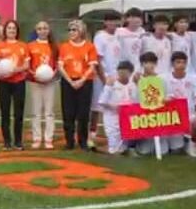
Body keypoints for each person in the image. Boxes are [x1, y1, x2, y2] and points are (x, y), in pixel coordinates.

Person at [58, 19, 98, 151]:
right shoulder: (64, 46)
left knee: (83, 113)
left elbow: (92, 67)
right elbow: (61, 66)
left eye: (74, 30)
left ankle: (83, 141)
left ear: (81, 31)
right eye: (69, 30)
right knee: (68, 112)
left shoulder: (89, 46)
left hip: (85, 82)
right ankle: (69, 141)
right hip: (68, 82)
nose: (71, 32)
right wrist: (70, 81)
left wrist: (82, 80)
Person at [0, 19, 29, 150]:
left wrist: (14, 70)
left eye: (14, 28)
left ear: (17, 31)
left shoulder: (23, 46)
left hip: (19, 82)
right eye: (9, 28)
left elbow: (26, 65)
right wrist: (1, 72)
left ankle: (18, 142)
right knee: (5, 112)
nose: (11, 30)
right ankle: (7, 142)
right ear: (5, 31)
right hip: (3, 83)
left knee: (18, 113)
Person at [164, 51, 196, 157]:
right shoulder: (164, 78)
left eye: (183, 62)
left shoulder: (193, 78)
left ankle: (192, 144)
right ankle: (180, 140)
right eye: (178, 62)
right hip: (171, 115)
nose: (181, 65)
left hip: (189, 112)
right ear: (172, 64)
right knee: (175, 150)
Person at [92, 12, 123, 142]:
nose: (112, 24)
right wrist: (104, 79)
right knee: (97, 106)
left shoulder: (119, 35)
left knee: (116, 105)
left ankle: (116, 134)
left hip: (116, 77)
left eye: (115, 21)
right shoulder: (100, 37)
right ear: (105, 23)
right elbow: (97, 59)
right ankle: (91, 136)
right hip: (103, 77)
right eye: (109, 21)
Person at [27, 20, 57, 150]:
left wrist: (52, 75)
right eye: (39, 28)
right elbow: (27, 65)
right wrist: (34, 74)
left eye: (45, 28)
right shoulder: (30, 46)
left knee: (49, 112)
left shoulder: (54, 46)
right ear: (36, 30)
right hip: (35, 82)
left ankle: (48, 138)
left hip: (50, 82)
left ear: (48, 30)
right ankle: (37, 138)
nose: (42, 31)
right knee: (36, 111)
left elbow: (58, 65)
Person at [98, 60, 137, 156]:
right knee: (115, 149)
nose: (122, 74)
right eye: (120, 72)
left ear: (130, 73)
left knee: (125, 146)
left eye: (125, 72)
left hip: (127, 118)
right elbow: (102, 101)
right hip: (112, 117)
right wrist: (114, 107)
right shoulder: (112, 83)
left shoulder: (132, 85)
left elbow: (136, 102)